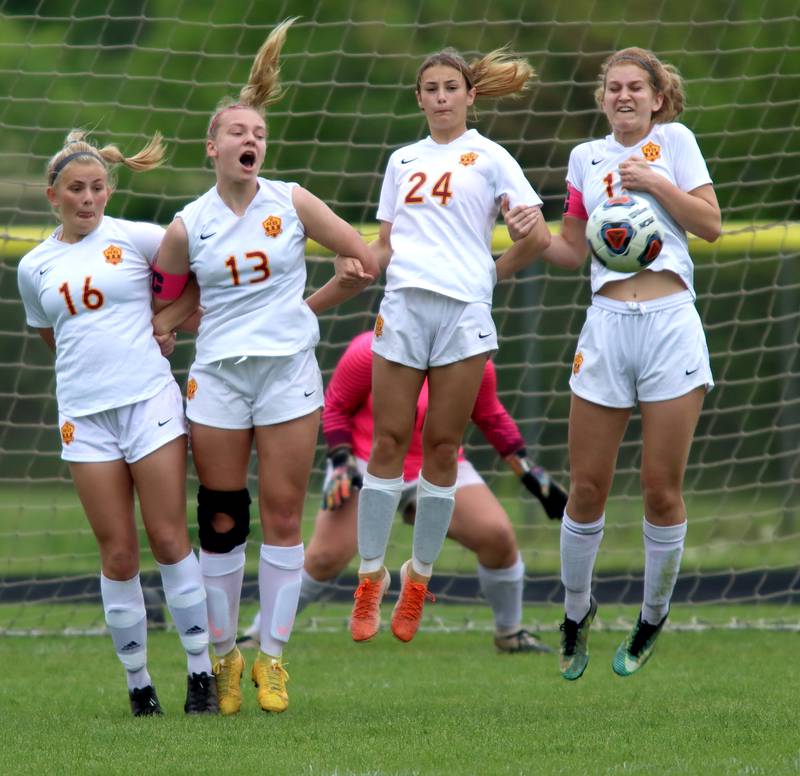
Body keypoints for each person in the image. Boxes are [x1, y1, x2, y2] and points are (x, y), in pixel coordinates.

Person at [152, 18, 377, 715]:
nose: (251, 141)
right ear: (212, 146)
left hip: (287, 376)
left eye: (259, 134)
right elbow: (164, 309)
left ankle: (272, 659)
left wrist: (310, 306)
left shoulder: (292, 200)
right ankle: (224, 657)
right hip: (218, 378)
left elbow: (362, 259)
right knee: (222, 520)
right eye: (238, 134)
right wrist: (172, 324)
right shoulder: (188, 226)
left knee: (284, 515)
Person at [505, 47, 721, 680]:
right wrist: (531, 233)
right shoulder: (585, 158)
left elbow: (709, 226)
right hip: (605, 328)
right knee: (588, 488)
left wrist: (657, 184)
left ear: (657, 97)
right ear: (603, 99)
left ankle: (653, 615)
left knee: (660, 490)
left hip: (670, 327)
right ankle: (576, 613)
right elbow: (573, 250)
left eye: (636, 88)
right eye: (613, 88)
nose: (623, 96)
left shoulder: (676, 142)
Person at [350, 45, 552, 645]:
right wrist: (360, 263)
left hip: (463, 313)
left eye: (450, 87)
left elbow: (538, 236)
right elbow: (385, 245)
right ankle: (370, 577)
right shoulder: (402, 159)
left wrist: (493, 265)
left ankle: (419, 577)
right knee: (388, 441)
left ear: (468, 95)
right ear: (420, 98)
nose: (441, 96)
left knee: (442, 445)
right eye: (430, 88)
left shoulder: (491, 157)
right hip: (405, 306)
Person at [16, 130, 219, 716]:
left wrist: (168, 323)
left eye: (97, 187)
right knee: (118, 555)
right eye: (75, 190)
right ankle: (138, 684)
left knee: (170, 539)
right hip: (85, 418)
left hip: (149, 403)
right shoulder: (34, 267)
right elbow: (53, 337)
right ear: (52, 195)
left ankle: (200, 675)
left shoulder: (137, 237)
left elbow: (201, 276)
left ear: (108, 189)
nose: (88, 198)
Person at [238, 331, 568, 652]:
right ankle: (259, 633)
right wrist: (342, 465)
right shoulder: (369, 350)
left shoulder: (472, 357)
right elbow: (336, 407)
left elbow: (491, 416)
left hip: (437, 466)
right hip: (367, 463)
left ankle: (509, 633)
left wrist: (532, 477)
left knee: (498, 537)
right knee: (324, 558)